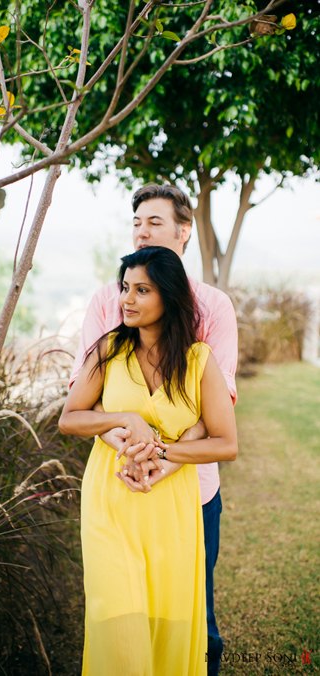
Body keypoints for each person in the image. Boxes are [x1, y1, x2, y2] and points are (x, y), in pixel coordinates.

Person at [68, 183, 237, 675]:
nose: (142, 230)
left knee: (191, 622)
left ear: (184, 232)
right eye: (136, 222)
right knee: (121, 617)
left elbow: (217, 402)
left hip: (191, 491)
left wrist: (163, 460)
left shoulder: (213, 308)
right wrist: (127, 438)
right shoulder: (107, 302)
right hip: (119, 482)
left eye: (155, 222)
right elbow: (92, 398)